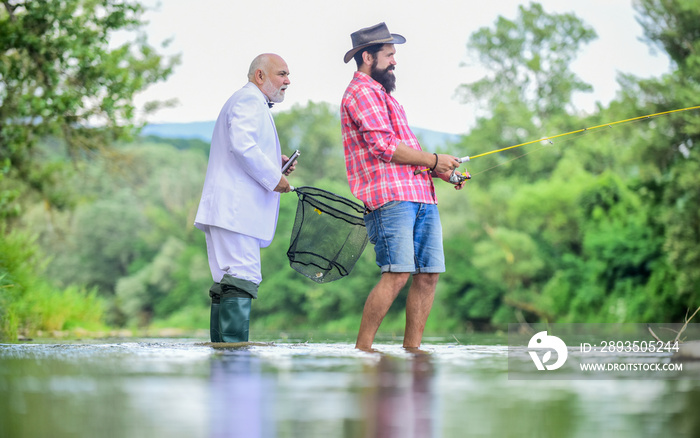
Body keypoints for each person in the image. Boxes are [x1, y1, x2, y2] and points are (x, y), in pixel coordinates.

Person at [340, 23, 466, 351]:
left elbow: (408, 151)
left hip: (421, 195)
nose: (395, 61)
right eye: (390, 54)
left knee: (428, 275)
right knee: (397, 273)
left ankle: (413, 352)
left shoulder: (385, 96)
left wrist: (440, 171)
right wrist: (434, 159)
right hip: (390, 199)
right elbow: (385, 148)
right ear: (368, 56)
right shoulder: (361, 92)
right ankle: (363, 351)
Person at [194, 53, 295, 343]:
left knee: (227, 279)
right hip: (236, 211)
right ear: (259, 75)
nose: (287, 81)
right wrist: (275, 178)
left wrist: (276, 161)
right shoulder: (250, 100)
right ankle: (235, 359)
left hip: (228, 210)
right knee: (242, 275)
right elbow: (242, 145)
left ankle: (224, 356)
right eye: (282, 74)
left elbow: (243, 147)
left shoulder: (246, 101)